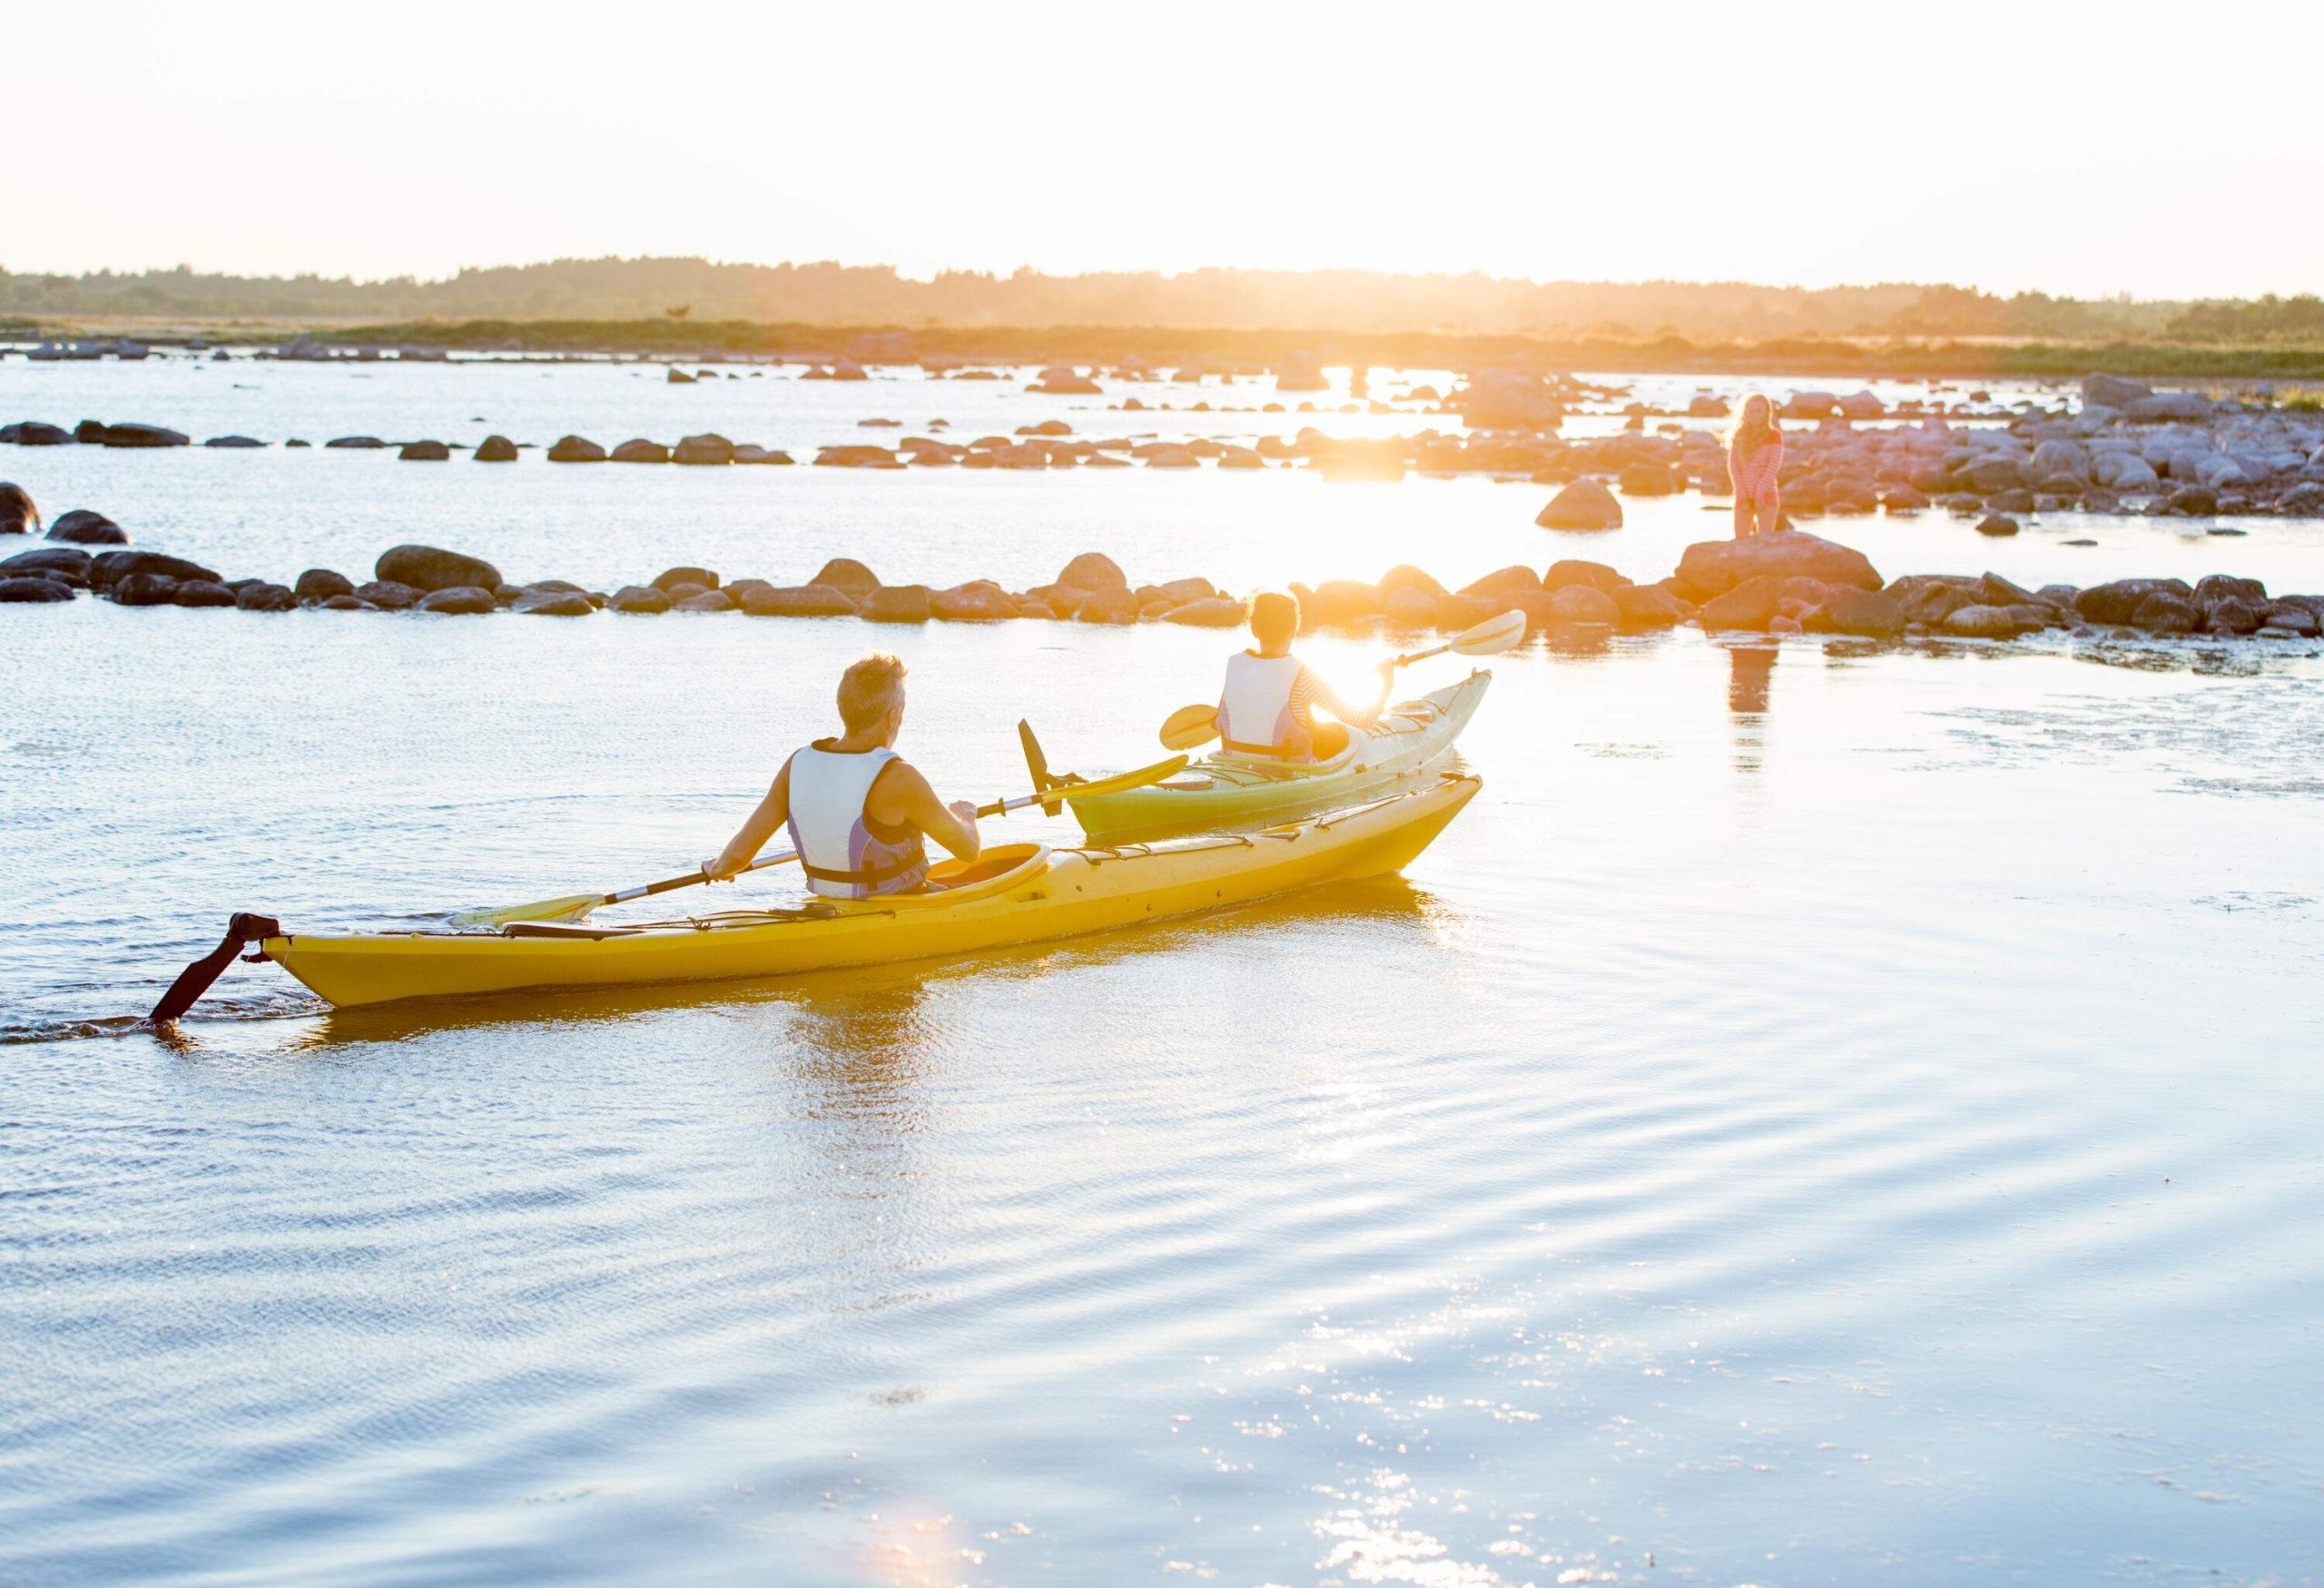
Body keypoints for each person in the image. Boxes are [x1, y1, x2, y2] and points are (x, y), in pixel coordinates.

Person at [703, 653, 980, 899]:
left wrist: (717, 866)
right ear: (892, 716)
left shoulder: (797, 764)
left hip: (830, 905)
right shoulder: (899, 777)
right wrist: (966, 815)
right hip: (897, 904)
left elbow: (738, 856)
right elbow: (967, 851)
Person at [1216, 590, 1395, 760]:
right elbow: (1361, 721)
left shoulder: (1234, 665)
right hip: (1286, 770)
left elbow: (1224, 720)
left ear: (1254, 628)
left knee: (1309, 721)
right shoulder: (1301, 675)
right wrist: (1386, 686)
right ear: (1294, 630)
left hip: (1236, 764)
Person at [1728, 393, 1784, 538]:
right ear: (1745, 413)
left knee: (1764, 542)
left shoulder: (1774, 435)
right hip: (1742, 495)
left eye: (1759, 410)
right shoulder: (1738, 435)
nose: (1755, 414)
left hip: (1767, 495)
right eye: (1751, 411)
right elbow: (1733, 467)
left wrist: (1759, 495)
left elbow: (1772, 468)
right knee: (1740, 542)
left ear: (1767, 412)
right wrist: (1743, 493)